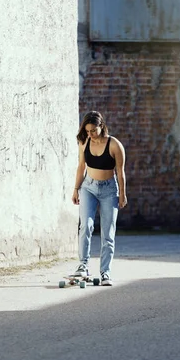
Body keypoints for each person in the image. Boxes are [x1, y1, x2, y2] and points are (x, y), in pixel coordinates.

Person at [72, 111, 127, 286]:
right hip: (88, 187)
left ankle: (105, 272)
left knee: (108, 233)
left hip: (109, 190)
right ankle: (83, 265)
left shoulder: (114, 145)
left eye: (93, 131)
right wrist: (76, 189)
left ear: (101, 126)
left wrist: (123, 194)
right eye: (87, 131)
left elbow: (120, 172)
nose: (90, 134)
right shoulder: (84, 141)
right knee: (85, 226)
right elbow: (81, 167)